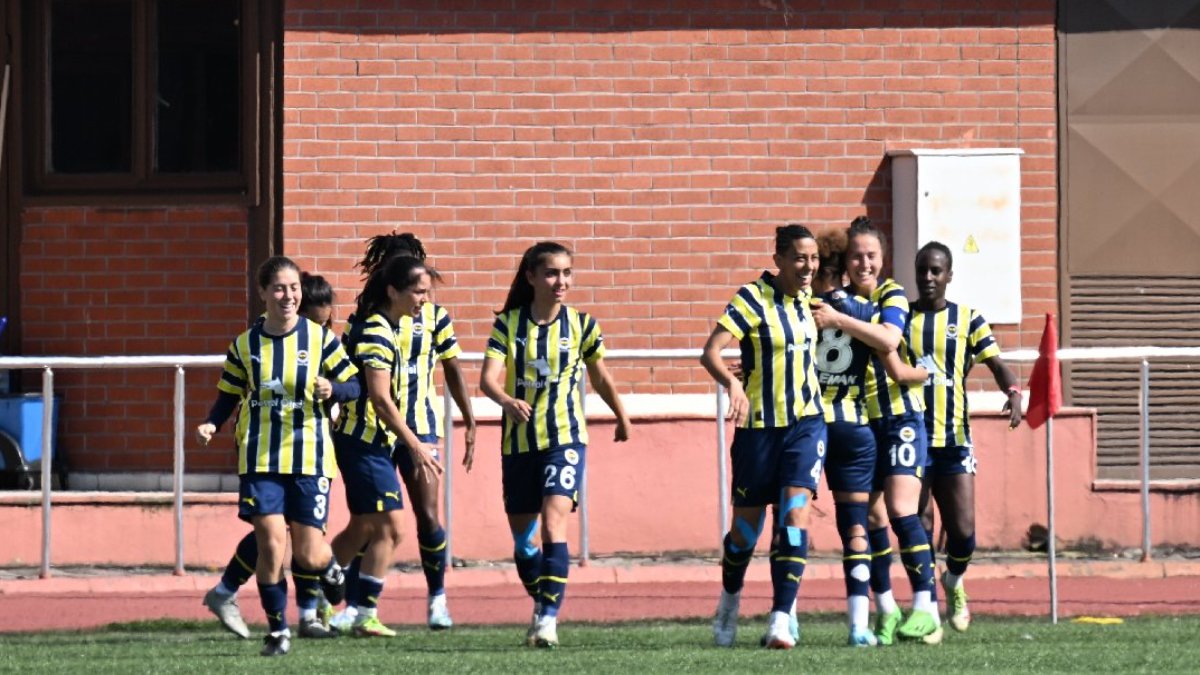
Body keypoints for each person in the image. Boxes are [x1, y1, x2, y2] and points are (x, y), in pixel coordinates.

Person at [196, 256, 359, 657]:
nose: (288, 296)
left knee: (308, 552)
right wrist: (212, 423)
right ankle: (278, 631)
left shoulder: (320, 339)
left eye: (294, 288)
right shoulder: (245, 345)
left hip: (310, 457)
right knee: (270, 544)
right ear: (263, 292)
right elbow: (228, 394)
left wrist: (334, 390)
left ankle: (331, 568)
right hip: (260, 457)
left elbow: (356, 385)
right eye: (280, 288)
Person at [480, 241, 631, 649]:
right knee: (524, 545)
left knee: (553, 524)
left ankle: (548, 620)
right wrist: (506, 401)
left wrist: (621, 415)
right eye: (551, 273)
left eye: (566, 273)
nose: (560, 281)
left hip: (565, 439)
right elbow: (488, 380)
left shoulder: (582, 325)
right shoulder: (509, 324)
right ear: (531, 277)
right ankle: (543, 601)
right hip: (518, 445)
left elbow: (600, 377)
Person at [329, 232, 477, 632]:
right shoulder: (366, 322)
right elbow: (348, 373)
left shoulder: (434, 316)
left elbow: (452, 366)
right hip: (372, 430)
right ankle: (353, 605)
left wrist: (468, 419)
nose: (422, 294)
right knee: (372, 520)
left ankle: (437, 599)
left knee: (427, 514)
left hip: (420, 426)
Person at [812, 216, 942, 645]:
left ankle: (926, 607)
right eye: (856, 256)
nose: (863, 263)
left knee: (904, 510)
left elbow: (887, 340)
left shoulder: (892, 295)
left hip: (902, 418)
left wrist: (839, 319)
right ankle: (886, 607)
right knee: (872, 518)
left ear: (883, 260)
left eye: (871, 256)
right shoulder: (840, 300)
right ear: (845, 261)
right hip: (863, 422)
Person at [702, 225, 827, 650]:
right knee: (744, 535)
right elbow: (711, 352)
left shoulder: (813, 302)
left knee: (794, 516)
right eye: (799, 258)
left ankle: (781, 618)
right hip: (758, 431)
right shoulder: (752, 298)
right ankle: (729, 602)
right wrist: (733, 385)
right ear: (779, 260)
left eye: (813, 258)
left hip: (806, 424)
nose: (808, 266)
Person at [910, 241, 1022, 633]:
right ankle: (926, 610)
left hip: (955, 439)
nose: (928, 277)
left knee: (963, 532)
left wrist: (1014, 392)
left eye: (936, 270)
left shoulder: (969, 319)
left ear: (949, 275)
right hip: (913, 439)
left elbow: (997, 365)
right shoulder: (901, 318)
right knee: (920, 527)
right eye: (922, 269)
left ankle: (953, 580)